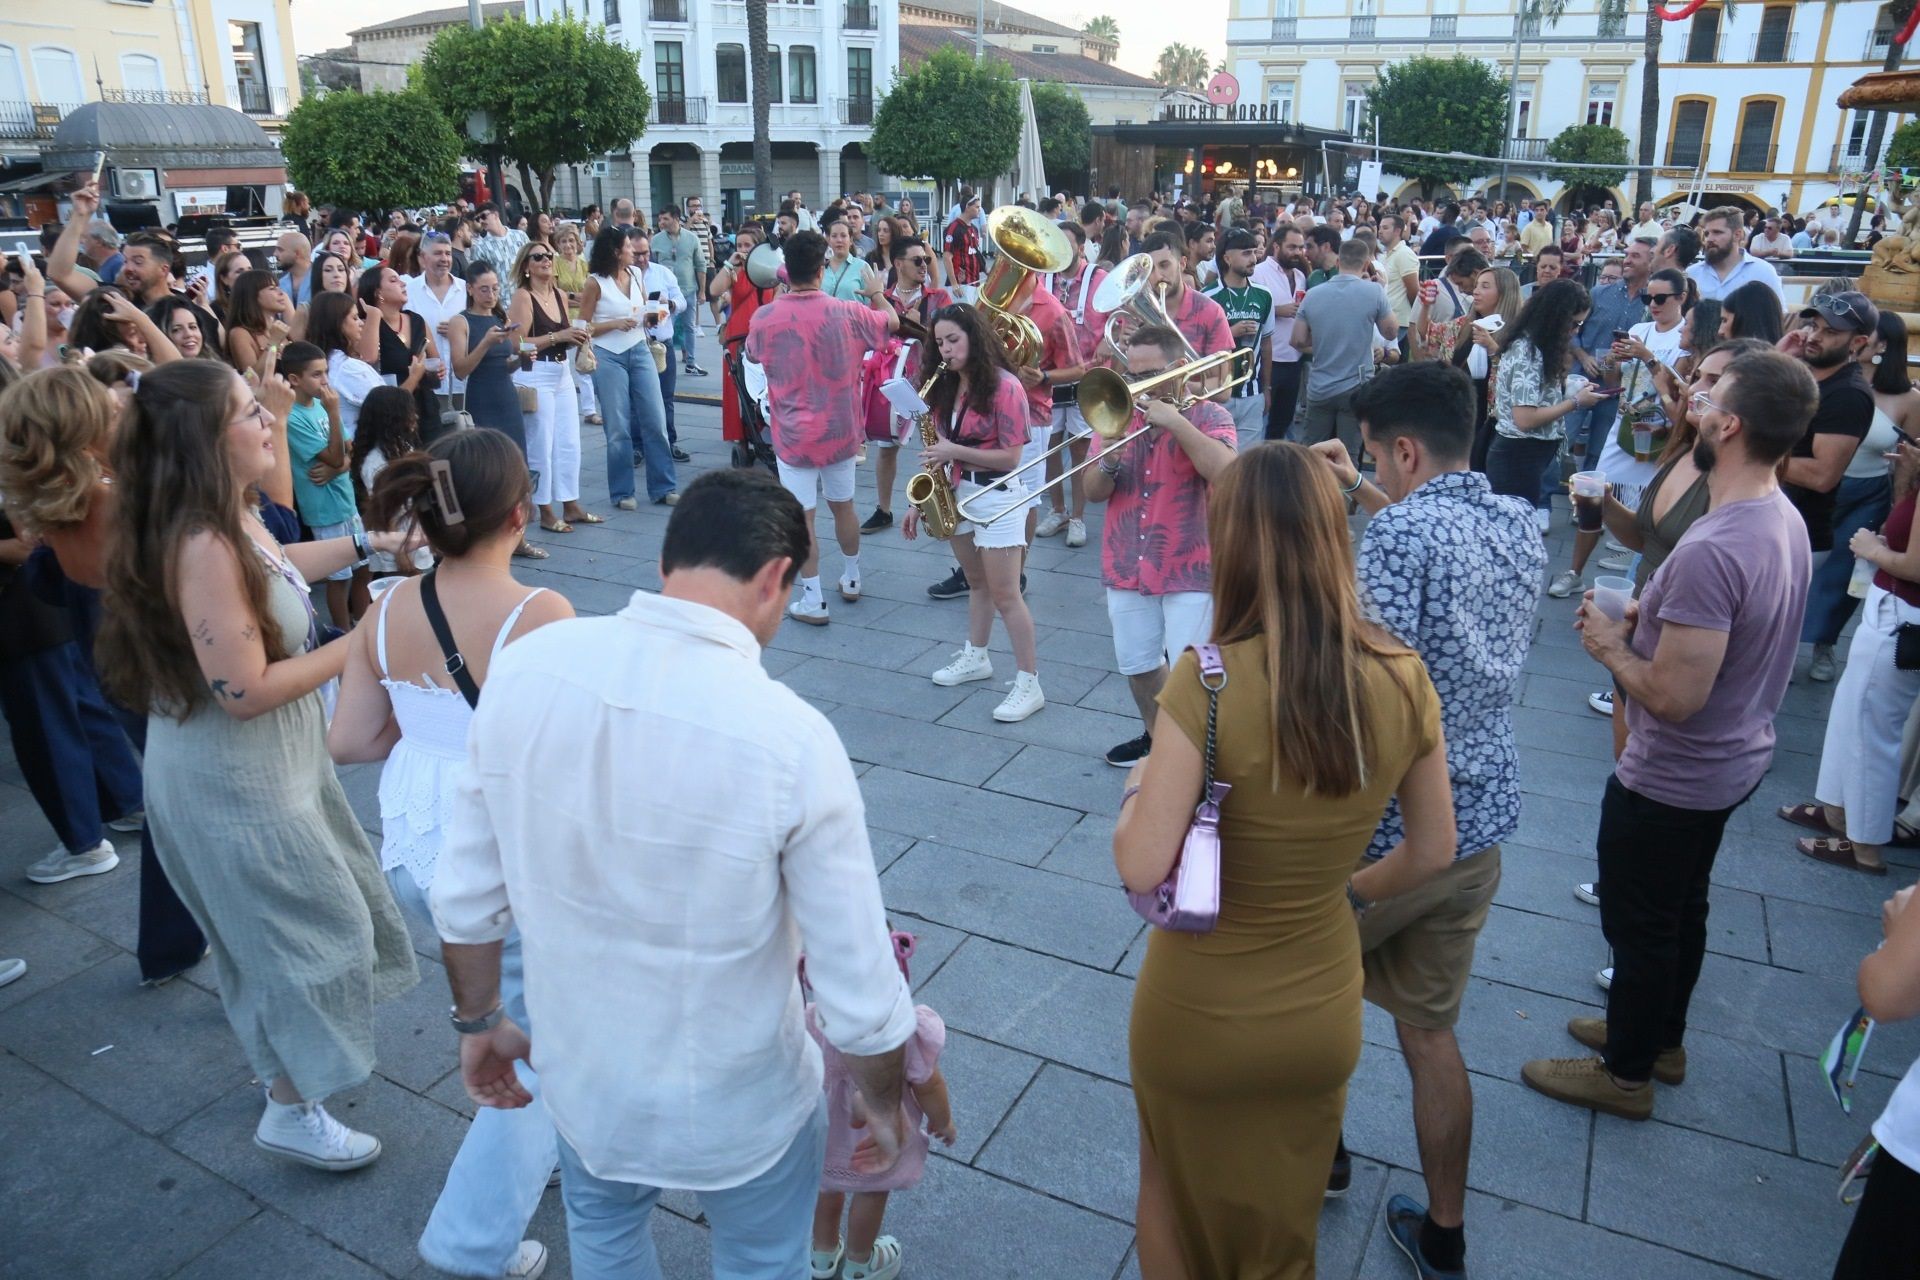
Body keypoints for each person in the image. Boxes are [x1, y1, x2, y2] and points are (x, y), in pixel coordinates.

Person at [429, 468, 918, 1276]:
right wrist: (882, 1093)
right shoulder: (790, 737)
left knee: (606, 1238)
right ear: (775, 579)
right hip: (743, 1101)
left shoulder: (528, 668)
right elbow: (858, 986)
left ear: (668, 564)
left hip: (587, 1081)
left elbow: (467, 902)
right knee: (763, 1259)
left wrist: (479, 1024)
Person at [1116, 441, 1456, 1279]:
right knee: (1285, 1217)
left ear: (1231, 542)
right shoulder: (1402, 674)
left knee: (1168, 1190)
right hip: (1318, 1006)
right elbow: (1435, 848)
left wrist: (1134, 794)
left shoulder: (1207, 681)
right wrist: (1348, 891)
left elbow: (1141, 865)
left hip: (1196, 1007)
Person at [95, 359, 418, 1168]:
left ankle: (286, 1078)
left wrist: (366, 543)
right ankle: (287, 1106)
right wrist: (364, 644)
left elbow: (277, 572)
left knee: (290, 934)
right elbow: (243, 688)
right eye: (249, 413)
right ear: (207, 439)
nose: (269, 420)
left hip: (268, 764)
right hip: (231, 774)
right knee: (311, 936)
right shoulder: (199, 540)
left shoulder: (223, 516)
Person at [1521, 348, 1817, 1120]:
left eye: (1709, 389)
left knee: (1640, 921)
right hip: (1731, 758)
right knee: (1682, 909)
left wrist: (1610, 643)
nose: (1693, 393)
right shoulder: (1775, 514)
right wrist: (1641, 614)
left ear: (1731, 422)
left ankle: (1625, 1076)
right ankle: (1656, 1040)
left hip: (1679, 769)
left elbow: (1676, 696)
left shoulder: (1717, 545)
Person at [1308, 359, 1543, 1277]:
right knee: (1429, 1032)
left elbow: (1374, 688)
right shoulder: (1516, 521)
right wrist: (1366, 489)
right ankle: (1445, 1235)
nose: (1374, 466)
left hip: (1391, 836)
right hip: (1480, 820)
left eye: (1374, 454)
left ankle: (1319, 1162)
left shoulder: (1400, 538)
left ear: (1403, 448)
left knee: (1319, 1002)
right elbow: (1423, 526)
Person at [328, 428, 573, 1280]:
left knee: (497, 1006)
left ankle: (533, 1137)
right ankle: (477, 1235)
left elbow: (351, 737)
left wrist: (427, 722)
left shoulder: (386, 605)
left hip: (413, 841)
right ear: (518, 511)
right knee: (536, 1036)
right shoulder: (538, 613)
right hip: (499, 851)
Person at [1085, 325, 1238, 767]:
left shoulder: (1210, 416)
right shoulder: (1114, 414)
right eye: (1131, 376)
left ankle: (1201, 755)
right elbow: (1093, 492)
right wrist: (1108, 460)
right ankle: (1157, 737)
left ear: (1178, 368)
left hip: (1191, 565)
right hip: (1126, 560)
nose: (1136, 386)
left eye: (1148, 375)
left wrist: (1176, 423)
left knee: (1197, 673)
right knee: (1137, 664)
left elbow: (1228, 475)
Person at [899, 305, 1045, 721]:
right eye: (939, 342)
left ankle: (1029, 682)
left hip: (997, 495)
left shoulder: (1005, 386)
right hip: (958, 490)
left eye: (953, 340)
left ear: (974, 338)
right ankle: (976, 656)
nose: (945, 349)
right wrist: (917, 501)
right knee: (977, 584)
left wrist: (954, 451)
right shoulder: (945, 386)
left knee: (1006, 594)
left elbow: (1012, 456)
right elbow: (937, 449)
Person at [745, 230, 897, 626]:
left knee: (803, 517)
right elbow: (891, 324)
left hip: (793, 433)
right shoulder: (847, 311)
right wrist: (877, 292)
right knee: (843, 505)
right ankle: (851, 577)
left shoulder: (765, 316)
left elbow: (752, 353)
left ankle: (813, 599)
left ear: (786, 271)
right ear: (820, 267)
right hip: (841, 430)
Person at [1792, 437, 1920, 877]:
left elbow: (1916, 565)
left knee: (1872, 731)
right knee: (1851, 716)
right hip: (1892, 611)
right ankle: (1835, 811)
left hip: (1902, 617)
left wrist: (1871, 549)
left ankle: (1863, 845)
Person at [806, 931, 955, 1280]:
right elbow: (929, 1084)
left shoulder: (811, 1020)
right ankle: (861, 1264)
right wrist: (943, 1121)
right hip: (881, 1137)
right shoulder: (907, 1031)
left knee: (825, 1190)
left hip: (825, 1134)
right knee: (871, 1193)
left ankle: (822, 1257)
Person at [1550, 267, 1691, 598]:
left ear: (1681, 298)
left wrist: (1647, 356)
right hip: (1627, 424)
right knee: (1592, 496)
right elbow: (1617, 382)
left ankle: (1640, 583)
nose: (1652, 303)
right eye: (1648, 297)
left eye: (1660, 298)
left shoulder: (1686, 333)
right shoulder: (1640, 328)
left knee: (1650, 512)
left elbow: (1679, 386)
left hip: (1661, 432)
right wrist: (1612, 362)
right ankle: (1575, 571)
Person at [1806, 312, 1920, 681]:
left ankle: (1825, 644)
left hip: (1867, 493)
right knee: (1802, 566)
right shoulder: (1831, 381)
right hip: (1817, 486)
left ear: (1882, 345)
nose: (1855, 341)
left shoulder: (1908, 399)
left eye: (1863, 336)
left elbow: (1911, 459)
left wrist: (1898, 507)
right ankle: (1786, 639)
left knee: (1844, 575)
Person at [1487, 279, 1604, 530]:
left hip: (1526, 456)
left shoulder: (1536, 346)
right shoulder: (1528, 350)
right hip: (1518, 458)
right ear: (1556, 317)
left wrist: (1568, 390)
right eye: (1574, 323)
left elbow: (1534, 399)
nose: (1575, 331)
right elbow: (1525, 419)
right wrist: (1575, 401)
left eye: (1580, 324)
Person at [1781, 291, 1879, 580]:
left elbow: (1822, 476)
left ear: (1858, 342)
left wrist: (1753, 454)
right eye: (1814, 326)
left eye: (1830, 331)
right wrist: (1778, 356)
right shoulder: (1805, 375)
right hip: (1777, 525)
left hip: (1798, 538)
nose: (1814, 336)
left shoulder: (1847, 394)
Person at [578, 226, 674, 511]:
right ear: (616, 251)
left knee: (655, 420)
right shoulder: (595, 283)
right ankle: (622, 492)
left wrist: (651, 316)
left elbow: (642, 308)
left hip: (639, 348)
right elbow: (581, 328)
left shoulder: (634, 275)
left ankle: (663, 487)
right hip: (608, 355)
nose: (634, 251)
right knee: (618, 427)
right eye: (629, 247)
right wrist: (613, 324)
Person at [864, 234, 953, 533]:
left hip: (935, 382)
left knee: (941, 445)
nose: (925, 265)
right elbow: (872, 338)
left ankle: (946, 504)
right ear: (898, 263)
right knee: (887, 445)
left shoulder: (938, 297)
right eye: (918, 260)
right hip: (897, 383)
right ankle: (884, 508)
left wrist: (923, 325)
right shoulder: (883, 299)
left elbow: (954, 337)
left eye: (927, 259)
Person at [507, 241, 595, 537]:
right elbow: (517, 344)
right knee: (541, 444)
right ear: (526, 266)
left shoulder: (558, 294)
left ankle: (571, 503)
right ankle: (544, 509)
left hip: (561, 371)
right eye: (538, 257)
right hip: (534, 374)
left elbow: (561, 337)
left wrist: (576, 337)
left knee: (569, 441)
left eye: (549, 255)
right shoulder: (523, 296)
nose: (546, 260)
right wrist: (559, 335)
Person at [279, 341, 369, 626]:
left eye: (326, 372)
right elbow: (333, 456)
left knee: (363, 568)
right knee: (339, 577)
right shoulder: (294, 417)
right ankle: (342, 632)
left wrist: (338, 468)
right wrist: (333, 414)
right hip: (324, 509)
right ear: (295, 379)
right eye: (317, 374)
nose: (326, 380)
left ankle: (364, 624)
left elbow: (349, 449)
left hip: (345, 500)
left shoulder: (320, 404)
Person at [1292, 239, 1397, 465]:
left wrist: (1322, 335)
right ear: (1367, 263)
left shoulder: (1314, 294)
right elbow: (1390, 332)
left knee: (1312, 453)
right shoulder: (1374, 293)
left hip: (1320, 385)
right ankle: (1345, 499)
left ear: (1338, 261)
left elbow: (1298, 340)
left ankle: (1310, 497)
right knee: (1348, 456)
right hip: (1356, 385)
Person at [1204, 228, 1273, 452]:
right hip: (1217, 393)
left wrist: (1267, 389)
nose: (1253, 259)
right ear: (1227, 257)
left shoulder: (1264, 295)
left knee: (1247, 466)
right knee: (1217, 462)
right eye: (1245, 253)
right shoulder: (1208, 296)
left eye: (1254, 252)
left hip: (1253, 393)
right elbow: (1197, 349)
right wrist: (1230, 333)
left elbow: (1267, 344)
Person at [357, 264, 443, 443]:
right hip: (392, 414)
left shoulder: (416, 320)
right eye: (393, 280)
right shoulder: (369, 326)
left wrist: (437, 370)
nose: (403, 283)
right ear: (377, 292)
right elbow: (368, 358)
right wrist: (374, 316)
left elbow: (435, 360)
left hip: (425, 409)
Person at [711, 222, 776, 449]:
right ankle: (740, 434)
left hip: (766, 336)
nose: (743, 248)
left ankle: (765, 428)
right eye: (739, 244)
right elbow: (714, 290)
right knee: (737, 386)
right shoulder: (734, 270)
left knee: (765, 386)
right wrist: (730, 263)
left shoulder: (771, 268)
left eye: (748, 245)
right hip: (738, 337)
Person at [307, 291, 400, 445]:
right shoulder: (348, 368)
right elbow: (391, 408)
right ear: (338, 323)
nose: (361, 323)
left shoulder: (320, 362)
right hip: (361, 450)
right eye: (355, 318)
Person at [1455, 265, 1521, 471]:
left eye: (1484, 286)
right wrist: (1425, 305)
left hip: (1493, 424)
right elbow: (1430, 334)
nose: (1476, 291)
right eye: (1476, 286)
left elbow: (1518, 373)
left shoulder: (1518, 332)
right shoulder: (1468, 324)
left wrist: (1492, 347)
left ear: (1504, 293)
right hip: (1462, 416)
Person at [1256, 223, 1311, 442]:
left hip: (1293, 359)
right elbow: (1252, 311)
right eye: (1292, 247)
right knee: (1262, 422)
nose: (1297, 252)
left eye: (1300, 247)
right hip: (1269, 359)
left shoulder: (1300, 276)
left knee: (1283, 421)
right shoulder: (1259, 273)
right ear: (1276, 247)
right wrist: (1278, 311)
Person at [1687, 206, 1787, 305]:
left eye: (1717, 232)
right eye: (1707, 234)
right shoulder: (1692, 273)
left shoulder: (1763, 272)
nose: (1709, 239)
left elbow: (1779, 314)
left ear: (1737, 235)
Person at [654, 205, 709, 376]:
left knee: (689, 327)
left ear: (676, 219)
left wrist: (702, 291)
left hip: (688, 289)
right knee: (663, 327)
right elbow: (652, 266)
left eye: (666, 219)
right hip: (664, 293)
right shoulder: (656, 240)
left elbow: (700, 265)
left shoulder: (691, 238)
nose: (662, 222)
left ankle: (691, 362)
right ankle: (661, 361)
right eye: (660, 219)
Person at [223, 269, 292, 376]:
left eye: (279, 288)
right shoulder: (240, 333)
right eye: (272, 289)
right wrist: (273, 343)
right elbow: (251, 377)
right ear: (253, 295)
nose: (281, 293)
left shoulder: (279, 328)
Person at [469, 204, 529, 302]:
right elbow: (481, 278)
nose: (481, 221)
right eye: (478, 219)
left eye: (483, 216)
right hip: (502, 304)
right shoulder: (481, 247)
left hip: (526, 298)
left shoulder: (520, 236)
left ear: (496, 215)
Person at [944, 192, 985, 302]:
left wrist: (986, 270)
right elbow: (947, 257)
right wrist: (954, 284)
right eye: (977, 207)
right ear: (967, 206)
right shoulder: (954, 228)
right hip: (960, 285)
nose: (979, 210)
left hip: (974, 283)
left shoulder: (974, 229)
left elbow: (975, 253)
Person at [276, 230, 314, 309]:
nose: (275, 254)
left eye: (280, 250)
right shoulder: (280, 284)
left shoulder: (323, 278)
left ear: (297, 253)